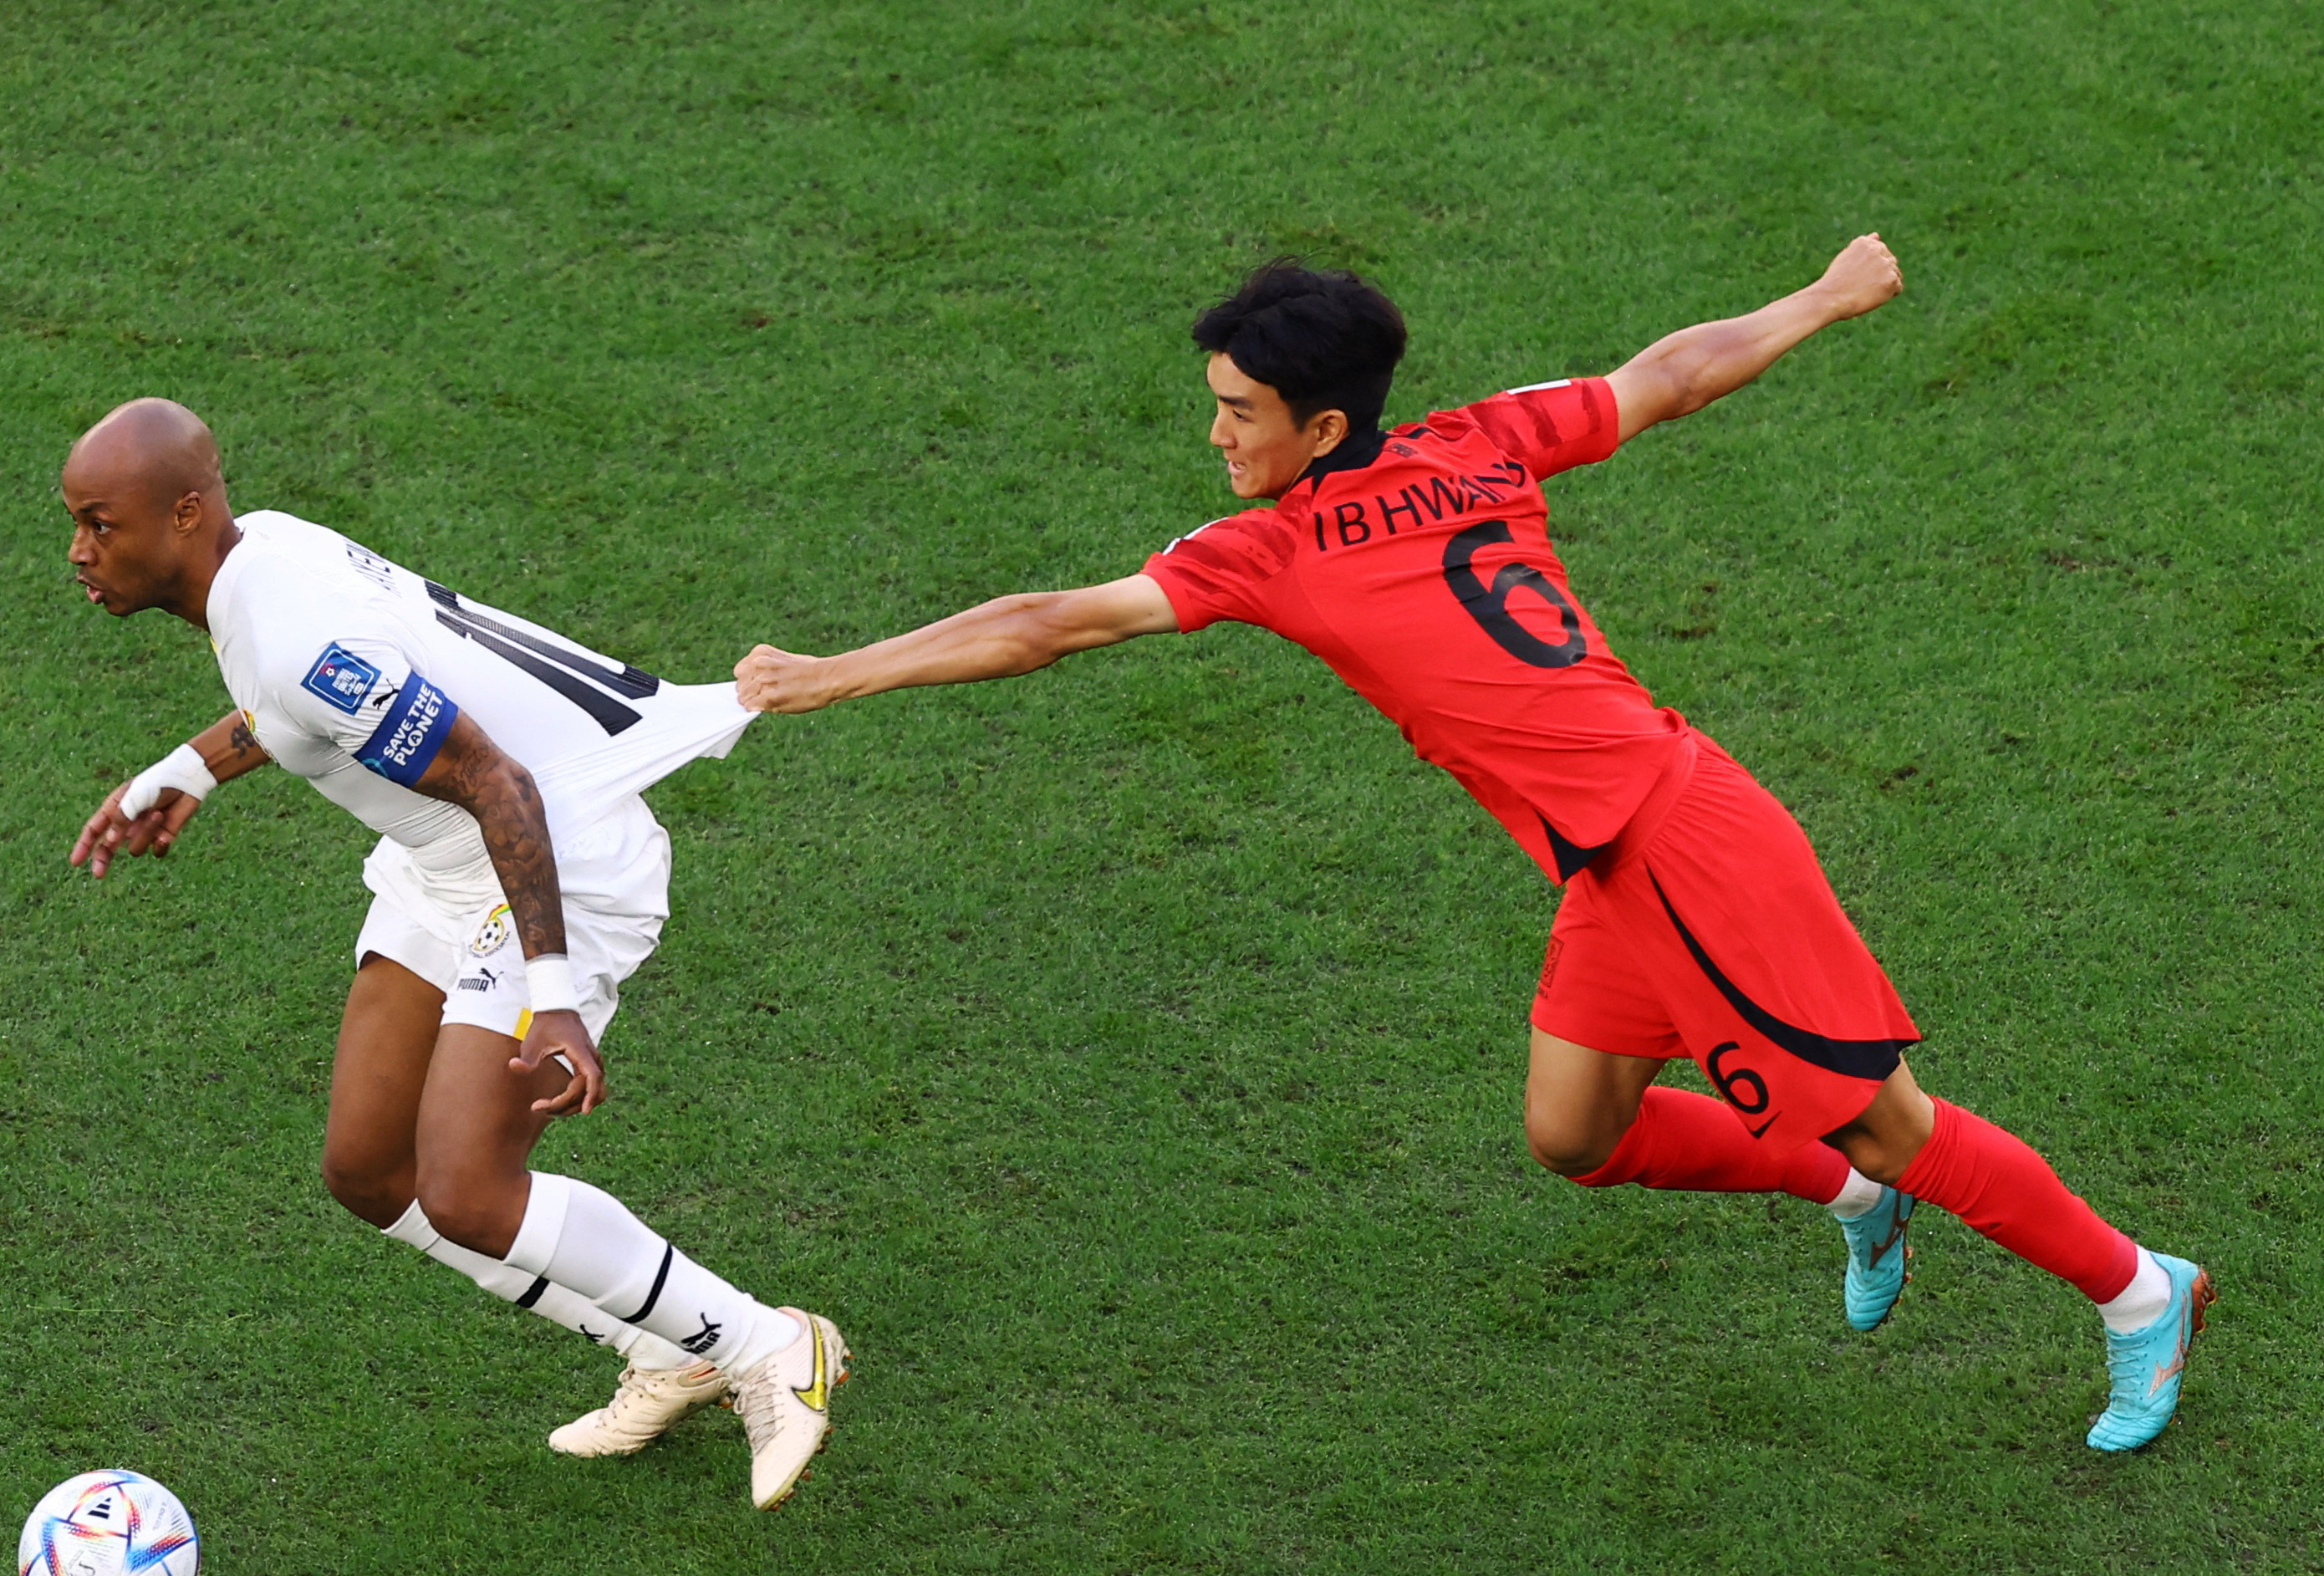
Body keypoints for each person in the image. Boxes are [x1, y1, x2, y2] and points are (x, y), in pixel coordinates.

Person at [736, 239, 2209, 1451]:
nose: (1216, 434)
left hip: (1685, 851)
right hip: (1610, 858)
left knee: (1888, 1116)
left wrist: (830, 674)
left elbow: (1041, 626)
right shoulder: (1476, 441)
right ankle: (1853, 1200)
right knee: (1578, 1134)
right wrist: (1818, 299)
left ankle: (2141, 1291)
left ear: (1321, 428)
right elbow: (1667, 376)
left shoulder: (1271, 550)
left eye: (1238, 411)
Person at [59, 398, 846, 1507]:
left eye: (100, 524)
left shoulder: (288, 636)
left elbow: (494, 781)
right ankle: (673, 1350)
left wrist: (552, 996)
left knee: (470, 1187)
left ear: (184, 513)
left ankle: (767, 1344)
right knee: (369, 1172)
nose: (80, 552)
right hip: (446, 863)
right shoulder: (261, 551)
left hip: (553, 856)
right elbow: (317, 709)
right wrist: (186, 769)